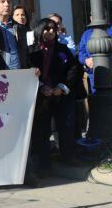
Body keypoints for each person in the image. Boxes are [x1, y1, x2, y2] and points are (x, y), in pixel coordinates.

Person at [28, 18, 83, 175]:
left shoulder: (62, 49)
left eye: (53, 29)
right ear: (39, 30)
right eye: (47, 29)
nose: (50, 32)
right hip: (41, 95)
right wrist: (41, 87)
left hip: (60, 94)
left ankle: (69, 156)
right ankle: (44, 165)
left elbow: (74, 68)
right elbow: (27, 69)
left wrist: (62, 87)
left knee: (65, 127)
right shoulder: (31, 50)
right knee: (41, 131)